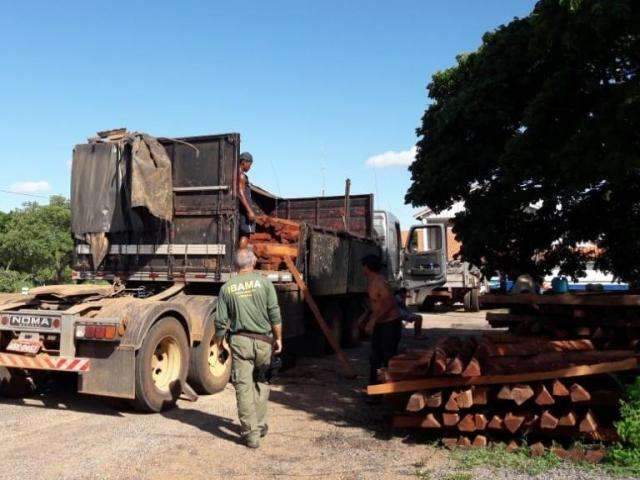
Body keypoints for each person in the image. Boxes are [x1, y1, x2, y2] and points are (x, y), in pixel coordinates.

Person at [215, 248, 283, 448]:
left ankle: (251, 435)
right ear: (253, 263)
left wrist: (221, 342)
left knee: (243, 388)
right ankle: (260, 425)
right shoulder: (265, 283)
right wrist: (278, 338)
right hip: (264, 342)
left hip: (240, 342)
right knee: (262, 382)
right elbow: (274, 313)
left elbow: (220, 321)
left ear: (236, 265)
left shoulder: (227, 288)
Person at [360, 254, 403, 386]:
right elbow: (376, 304)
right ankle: (375, 388)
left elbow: (389, 303)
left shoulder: (379, 282)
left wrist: (373, 321)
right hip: (382, 323)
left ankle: (389, 389)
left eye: (363, 266)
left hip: (389, 324)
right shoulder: (373, 281)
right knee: (375, 357)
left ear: (367, 267)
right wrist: (365, 317)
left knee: (387, 357)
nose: (362, 269)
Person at [237, 152, 257, 249]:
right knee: (245, 235)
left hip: (243, 211)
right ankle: (241, 261)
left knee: (243, 235)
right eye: (250, 164)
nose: (250, 167)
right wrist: (249, 211)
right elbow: (240, 193)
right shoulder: (241, 176)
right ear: (244, 162)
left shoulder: (238, 174)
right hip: (245, 213)